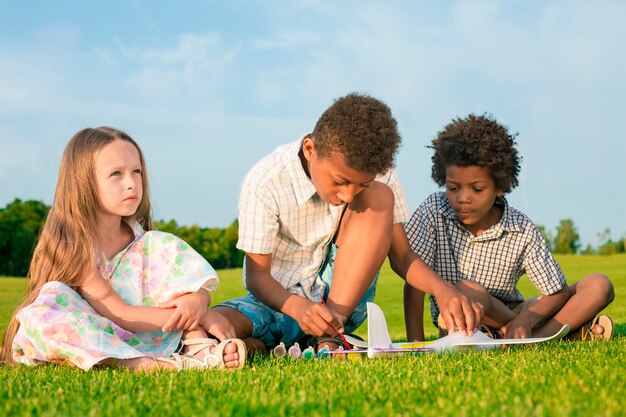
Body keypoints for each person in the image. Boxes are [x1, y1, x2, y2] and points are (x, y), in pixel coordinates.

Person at [213, 92, 482, 352]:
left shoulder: (380, 174)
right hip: (279, 305)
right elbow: (257, 275)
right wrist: (297, 307)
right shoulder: (265, 181)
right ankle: (270, 346)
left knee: (378, 194)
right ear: (310, 150)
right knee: (217, 324)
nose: (348, 195)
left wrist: (442, 290)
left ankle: (329, 334)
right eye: (340, 181)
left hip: (341, 310)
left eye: (360, 184)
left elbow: (402, 256)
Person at [0, 127, 246, 371]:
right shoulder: (72, 244)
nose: (131, 183)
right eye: (116, 173)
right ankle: (137, 363)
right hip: (96, 331)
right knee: (41, 317)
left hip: (150, 332)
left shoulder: (148, 244)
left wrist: (199, 300)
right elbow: (120, 314)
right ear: (82, 183)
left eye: (136, 172)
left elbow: (188, 284)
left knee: (160, 244)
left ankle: (197, 347)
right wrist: (200, 316)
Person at [404, 113, 615, 341]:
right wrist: (416, 343)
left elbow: (558, 292)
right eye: (453, 188)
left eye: (476, 189)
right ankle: (555, 337)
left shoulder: (520, 227)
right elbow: (414, 281)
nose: (463, 198)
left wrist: (525, 320)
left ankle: (525, 337)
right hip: (461, 316)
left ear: (500, 186)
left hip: (511, 314)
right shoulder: (433, 210)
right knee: (467, 289)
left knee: (599, 284)